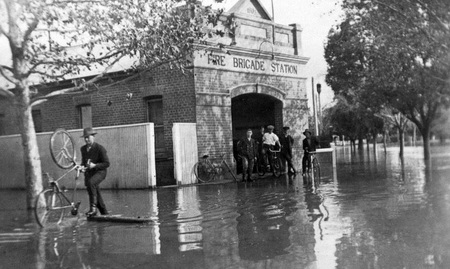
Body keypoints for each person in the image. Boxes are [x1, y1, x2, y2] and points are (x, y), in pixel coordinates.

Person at [80, 127, 110, 217]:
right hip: (90, 174)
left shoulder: (100, 148)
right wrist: (82, 167)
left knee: (91, 183)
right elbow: (84, 162)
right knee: (94, 191)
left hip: (100, 172)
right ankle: (105, 214)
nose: (86, 139)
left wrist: (95, 165)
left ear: (93, 137)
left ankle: (93, 210)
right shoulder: (83, 149)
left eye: (88, 137)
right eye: (85, 138)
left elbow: (107, 163)